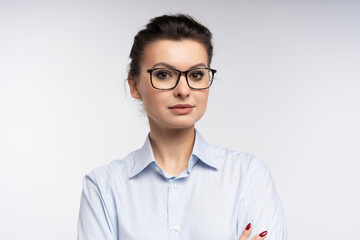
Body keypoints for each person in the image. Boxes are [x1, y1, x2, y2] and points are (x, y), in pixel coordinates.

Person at [77, 14, 287, 240]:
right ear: (134, 86)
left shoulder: (248, 176)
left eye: (196, 75)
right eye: (164, 74)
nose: (183, 90)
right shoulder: (102, 186)